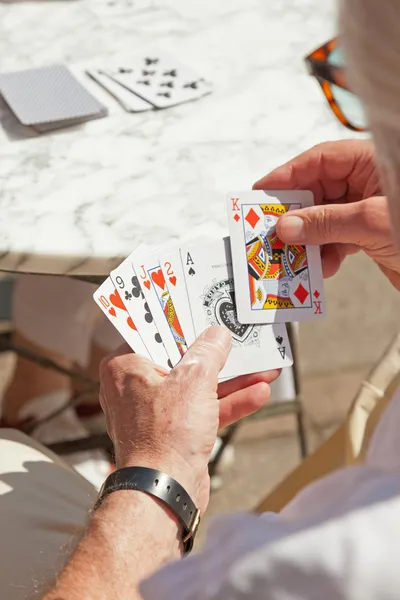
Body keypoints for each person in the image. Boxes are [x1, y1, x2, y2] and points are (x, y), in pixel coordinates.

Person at [2, 0, 400, 598]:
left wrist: (157, 473)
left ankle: (39, 405)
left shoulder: (340, 558)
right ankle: (55, 399)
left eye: (348, 91)